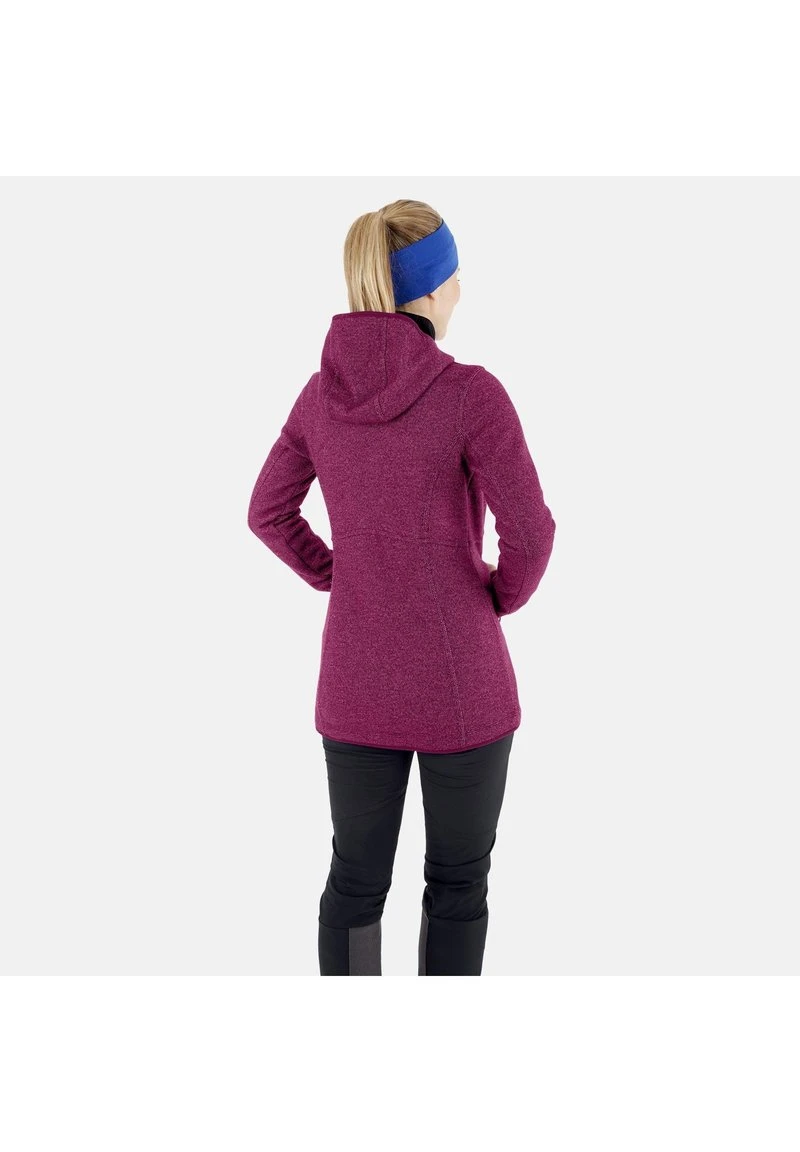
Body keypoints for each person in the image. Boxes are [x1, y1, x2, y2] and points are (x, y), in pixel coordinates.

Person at [247, 199, 556, 975]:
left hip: (356, 682)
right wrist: (492, 599)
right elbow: (532, 533)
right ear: (434, 286)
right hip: (464, 687)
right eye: (457, 275)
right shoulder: (471, 395)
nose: (461, 290)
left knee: (354, 884)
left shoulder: (319, 398)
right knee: (457, 887)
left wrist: (342, 574)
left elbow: (267, 512)